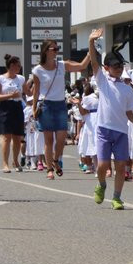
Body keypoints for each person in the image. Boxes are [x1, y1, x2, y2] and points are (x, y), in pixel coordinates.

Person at [88, 30, 133, 211]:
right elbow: (93, 62)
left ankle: (117, 197)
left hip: (121, 131)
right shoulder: (103, 81)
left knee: (121, 165)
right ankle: (101, 184)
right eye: (115, 66)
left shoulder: (127, 89)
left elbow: (129, 114)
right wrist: (91, 42)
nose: (119, 68)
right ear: (106, 68)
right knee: (102, 164)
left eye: (121, 66)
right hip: (104, 129)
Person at [29, 39, 91, 179]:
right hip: (46, 106)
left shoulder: (62, 65)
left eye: (57, 48)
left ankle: (56, 160)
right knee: (48, 140)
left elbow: (82, 66)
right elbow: (36, 91)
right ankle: (49, 169)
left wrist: (90, 49)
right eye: (53, 49)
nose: (56, 51)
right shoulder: (37, 70)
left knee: (62, 139)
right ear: (45, 51)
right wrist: (34, 109)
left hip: (60, 105)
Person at [0, 54, 26, 173]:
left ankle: (15, 160)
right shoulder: (0, 79)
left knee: (17, 137)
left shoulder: (21, 78)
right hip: (5, 107)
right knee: (7, 137)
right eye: (18, 65)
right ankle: (5, 163)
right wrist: (10, 95)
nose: (20, 67)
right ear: (11, 66)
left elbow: (27, 91)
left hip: (17, 107)